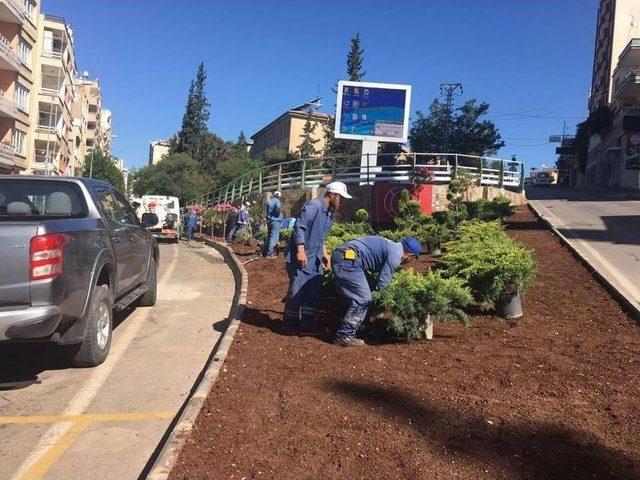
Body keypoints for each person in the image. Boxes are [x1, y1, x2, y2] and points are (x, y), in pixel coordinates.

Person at [283, 182, 352, 335]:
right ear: (332, 194)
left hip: (314, 257)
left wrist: (324, 253)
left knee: (315, 287)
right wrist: (300, 251)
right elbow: (298, 227)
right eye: (341, 197)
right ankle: (289, 324)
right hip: (301, 256)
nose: (342, 201)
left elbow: (321, 238)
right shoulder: (314, 206)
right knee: (298, 290)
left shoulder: (328, 213)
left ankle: (307, 325)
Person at [331, 235, 422, 347]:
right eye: (413, 258)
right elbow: (383, 283)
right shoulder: (396, 256)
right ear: (410, 255)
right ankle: (344, 336)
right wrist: (386, 304)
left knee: (370, 288)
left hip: (348, 258)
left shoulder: (392, 246)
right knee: (363, 298)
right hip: (348, 261)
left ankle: (361, 327)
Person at [262, 191, 284, 257]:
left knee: (269, 236)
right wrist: (279, 213)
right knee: (274, 237)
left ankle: (265, 251)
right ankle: (270, 253)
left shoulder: (269, 201)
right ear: (279, 196)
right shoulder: (277, 201)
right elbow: (278, 208)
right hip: (276, 220)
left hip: (269, 220)